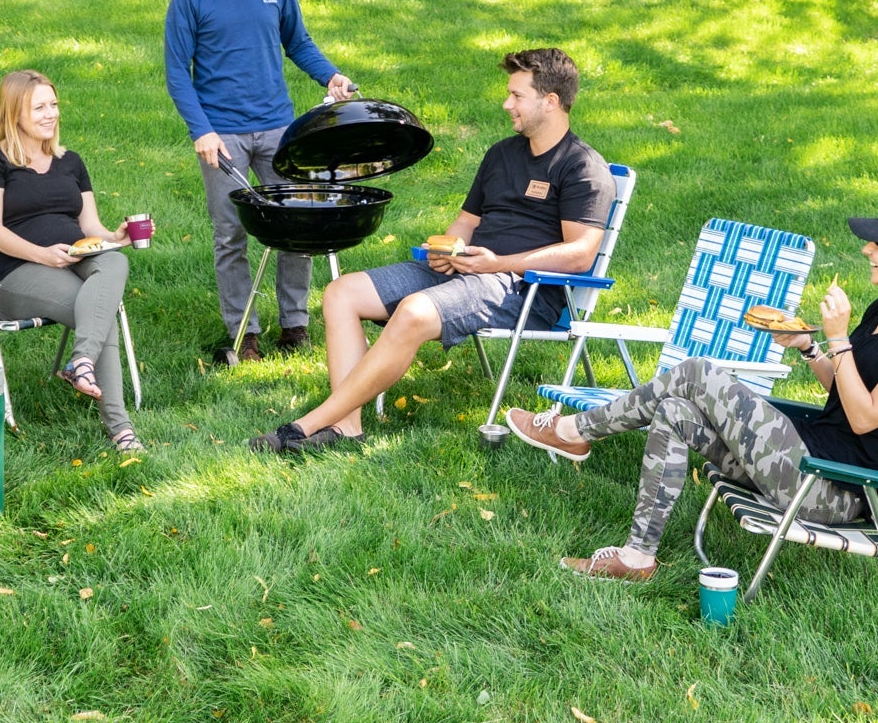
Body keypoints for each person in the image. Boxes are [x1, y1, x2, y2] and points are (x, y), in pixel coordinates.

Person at [506, 199, 878, 581]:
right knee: (675, 409)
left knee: (697, 372)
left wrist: (838, 337)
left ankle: (571, 430)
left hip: (830, 487)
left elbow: (864, 418)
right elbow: (846, 393)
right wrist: (810, 349)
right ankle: (636, 558)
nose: (866, 251)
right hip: (806, 456)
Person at [250, 47, 616, 453]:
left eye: (517, 95)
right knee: (341, 293)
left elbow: (580, 254)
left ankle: (310, 424)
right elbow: (467, 221)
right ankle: (347, 427)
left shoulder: (582, 167)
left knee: (413, 311)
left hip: (521, 287)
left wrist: (496, 263)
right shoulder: (501, 154)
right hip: (466, 269)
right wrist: (449, 247)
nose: (506, 103)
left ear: (550, 102)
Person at [165, 0, 354, 363]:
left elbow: (299, 42)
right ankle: (244, 331)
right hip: (222, 135)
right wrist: (200, 131)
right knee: (231, 233)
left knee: (297, 224)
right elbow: (176, 74)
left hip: (278, 126)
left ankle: (295, 324)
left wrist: (329, 74)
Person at [0, 69, 146, 453]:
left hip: (75, 256)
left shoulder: (71, 162)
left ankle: (81, 361)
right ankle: (121, 430)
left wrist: (115, 238)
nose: (50, 114)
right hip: (15, 273)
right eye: (39, 108)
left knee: (115, 263)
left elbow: (90, 225)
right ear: (14, 113)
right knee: (100, 312)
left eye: (53, 105)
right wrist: (42, 255)